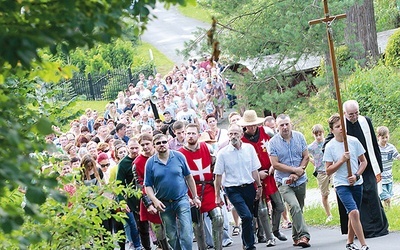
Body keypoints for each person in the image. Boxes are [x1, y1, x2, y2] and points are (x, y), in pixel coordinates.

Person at [237, 110, 287, 247]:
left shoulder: (267, 132)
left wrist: (274, 165)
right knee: (262, 210)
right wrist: (257, 174)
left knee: (279, 205)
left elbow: (277, 147)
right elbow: (240, 162)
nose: (252, 127)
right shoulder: (241, 140)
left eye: (254, 124)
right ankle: (269, 236)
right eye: (249, 125)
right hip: (254, 178)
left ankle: (275, 230)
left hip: (270, 175)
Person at [144, 134, 201, 250]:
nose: (161, 145)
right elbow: (147, 185)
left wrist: (195, 197)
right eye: (158, 143)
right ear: (154, 146)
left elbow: (189, 177)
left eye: (164, 142)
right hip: (164, 203)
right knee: (171, 235)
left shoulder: (179, 156)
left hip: (181, 199)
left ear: (168, 143)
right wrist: (154, 200)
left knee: (187, 232)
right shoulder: (150, 163)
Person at [342, 100, 389, 238]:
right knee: (359, 197)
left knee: (372, 193)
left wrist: (378, 167)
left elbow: (374, 143)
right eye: (351, 115)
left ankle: (379, 227)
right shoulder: (341, 124)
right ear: (345, 113)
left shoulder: (365, 121)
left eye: (356, 113)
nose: (354, 116)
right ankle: (363, 230)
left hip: (367, 164)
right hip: (352, 166)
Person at [323, 114, 369, 250]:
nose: (341, 129)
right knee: (354, 212)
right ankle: (364, 244)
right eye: (337, 127)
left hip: (356, 183)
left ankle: (349, 242)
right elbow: (328, 170)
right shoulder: (330, 146)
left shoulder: (353, 141)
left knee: (352, 213)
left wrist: (356, 175)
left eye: (342, 125)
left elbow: (363, 162)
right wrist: (342, 160)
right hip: (341, 184)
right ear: (332, 130)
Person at [214, 123, 263, 250]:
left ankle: (245, 241)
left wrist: (259, 186)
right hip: (233, 189)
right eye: (230, 134)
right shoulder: (223, 153)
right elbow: (218, 176)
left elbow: (254, 170)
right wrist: (217, 196)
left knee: (249, 217)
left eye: (236, 133)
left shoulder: (249, 149)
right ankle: (249, 245)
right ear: (228, 136)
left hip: (248, 187)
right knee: (245, 216)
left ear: (241, 135)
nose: (233, 136)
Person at [179, 124, 224, 250]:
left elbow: (216, 168)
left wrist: (218, 188)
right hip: (191, 191)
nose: (191, 136)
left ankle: (218, 248)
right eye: (188, 133)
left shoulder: (207, 148)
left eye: (193, 133)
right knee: (197, 224)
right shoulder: (180, 154)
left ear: (198, 135)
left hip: (208, 188)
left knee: (218, 217)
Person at [269, 114, 311, 248]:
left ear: (291, 124)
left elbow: (306, 156)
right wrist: (293, 170)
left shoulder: (299, 137)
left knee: (299, 208)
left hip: (300, 180)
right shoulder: (273, 142)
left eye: (287, 124)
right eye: (281, 125)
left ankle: (296, 238)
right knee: (294, 206)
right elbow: (275, 164)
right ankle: (304, 235)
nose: (285, 127)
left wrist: (298, 173)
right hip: (283, 181)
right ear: (277, 127)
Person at [133, 133, 170, 250]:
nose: (145, 147)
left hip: (167, 195)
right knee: (159, 230)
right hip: (150, 199)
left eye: (147, 144)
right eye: (142, 145)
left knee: (173, 228)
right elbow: (139, 185)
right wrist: (148, 203)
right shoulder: (137, 163)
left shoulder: (163, 155)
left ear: (152, 144)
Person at [116, 139, 148, 250]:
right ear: (127, 148)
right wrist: (122, 202)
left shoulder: (144, 159)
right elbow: (118, 184)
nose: (134, 150)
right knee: (134, 225)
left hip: (146, 195)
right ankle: (138, 246)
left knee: (145, 225)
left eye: (136, 148)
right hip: (131, 199)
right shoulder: (123, 164)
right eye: (131, 148)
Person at [308, 124, 332, 222]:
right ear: (313, 135)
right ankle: (329, 214)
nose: (318, 137)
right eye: (316, 135)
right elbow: (304, 154)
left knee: (338, 189)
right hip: (321, 172)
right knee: (324, 194)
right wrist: (313, 161)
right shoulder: (311, 147)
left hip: (332, 168)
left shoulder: (328, 142)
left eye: (320, 134)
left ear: (323, 133)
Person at [376, 126, 400, 208]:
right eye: (383, 138)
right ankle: (385, 211)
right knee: (386, 198)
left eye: (386, 137)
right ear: (378, 137)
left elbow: (397, 156)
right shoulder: (376, 148)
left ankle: (386, 212)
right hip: (380, 178)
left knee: (388, 198)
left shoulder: (391, 147)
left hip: (389, 177)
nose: (385, 139)